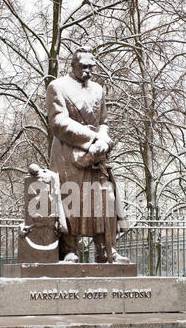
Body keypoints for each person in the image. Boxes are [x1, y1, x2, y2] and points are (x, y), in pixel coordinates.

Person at [46, 46, 129, 263]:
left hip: (97, 154)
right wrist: (92, 139)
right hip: (68, 153)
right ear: (73, 65)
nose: (88, 72)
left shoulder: (98, 90)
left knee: (104, 198)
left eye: (91, 67)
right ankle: (69, 250)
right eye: (83, 67)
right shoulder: (58, 86)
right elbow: (58, 123)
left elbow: (103, 122)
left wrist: (103, 139)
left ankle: (105, 249)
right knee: (71, 200)